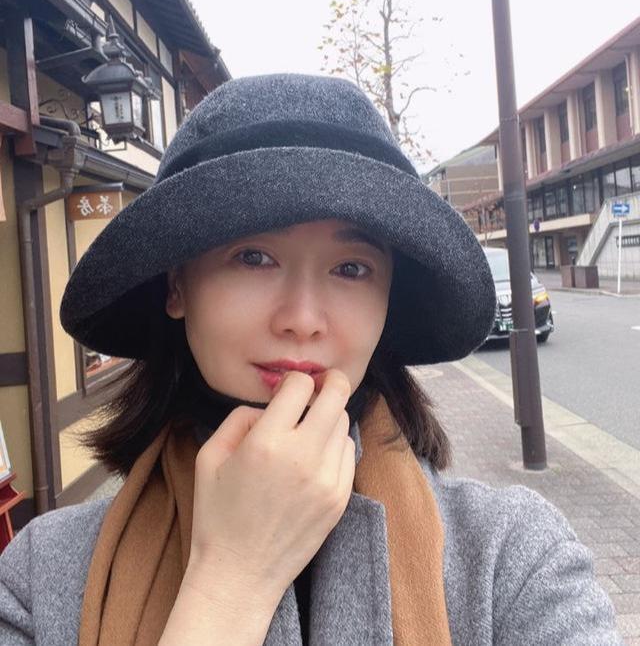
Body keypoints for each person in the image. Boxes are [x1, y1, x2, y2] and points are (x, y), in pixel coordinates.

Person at [0, 74, 622, 645]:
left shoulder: (511, 561)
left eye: (351, 268)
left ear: (387, 302)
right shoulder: (39, 578)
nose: (302, 317)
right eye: (253, 257)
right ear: (177, 286)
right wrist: (231, 579)